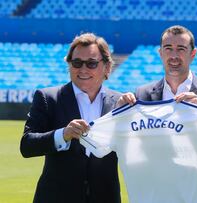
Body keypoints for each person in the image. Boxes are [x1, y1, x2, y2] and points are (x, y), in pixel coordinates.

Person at [118, 25, 197, 202]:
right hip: (155, 191)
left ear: (193, 54)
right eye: (168, 49)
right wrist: (120, 116)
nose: (174, 56)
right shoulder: (142, 94)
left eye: (181, 49)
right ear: (160, 53)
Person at [20, 33, 121, 203]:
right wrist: (62, 135)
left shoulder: (120, 103)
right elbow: (27, 145)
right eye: (77, 63)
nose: (83, 69)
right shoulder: (48, 97)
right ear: (69, 65)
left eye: (91, 63)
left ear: (107, 67)